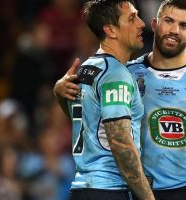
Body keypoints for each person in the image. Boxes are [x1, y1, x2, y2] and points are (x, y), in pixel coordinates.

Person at [54, 0, 186, 199]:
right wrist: (60, 92)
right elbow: (95, 121)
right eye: (169, 21)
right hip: (144, 190)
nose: (175, 30)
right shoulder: (126, 73)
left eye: (184, 25)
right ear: (154, 24)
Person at [54, 0, 155, 200]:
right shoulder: (116, 75)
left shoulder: (85, 70)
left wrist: (58, 94)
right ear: (110, 30)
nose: (142, 23)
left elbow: (85, 121)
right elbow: (120, 143)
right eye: (132, 18)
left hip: (82, 190)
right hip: (109, 190)